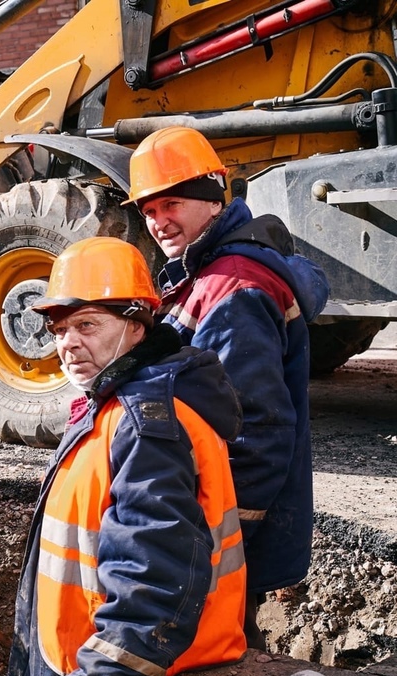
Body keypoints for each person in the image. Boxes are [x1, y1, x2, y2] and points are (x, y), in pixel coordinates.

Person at [1, 237, 248, 676]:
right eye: (59, 329)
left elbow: (151, 581)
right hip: (79, 658)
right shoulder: (114, 404)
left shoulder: (145, 424)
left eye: (87, 325)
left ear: (137, 327)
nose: (68, 343)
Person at [125, 126, 330, 646]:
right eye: (148, 210)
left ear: (213, 198)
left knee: (221, 647)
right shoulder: (207, 270)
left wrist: (218, 538)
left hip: (221, 535)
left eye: (170, 202)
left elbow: (254, 431)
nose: (157, 221)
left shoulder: (232, 285)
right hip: (214, 520)